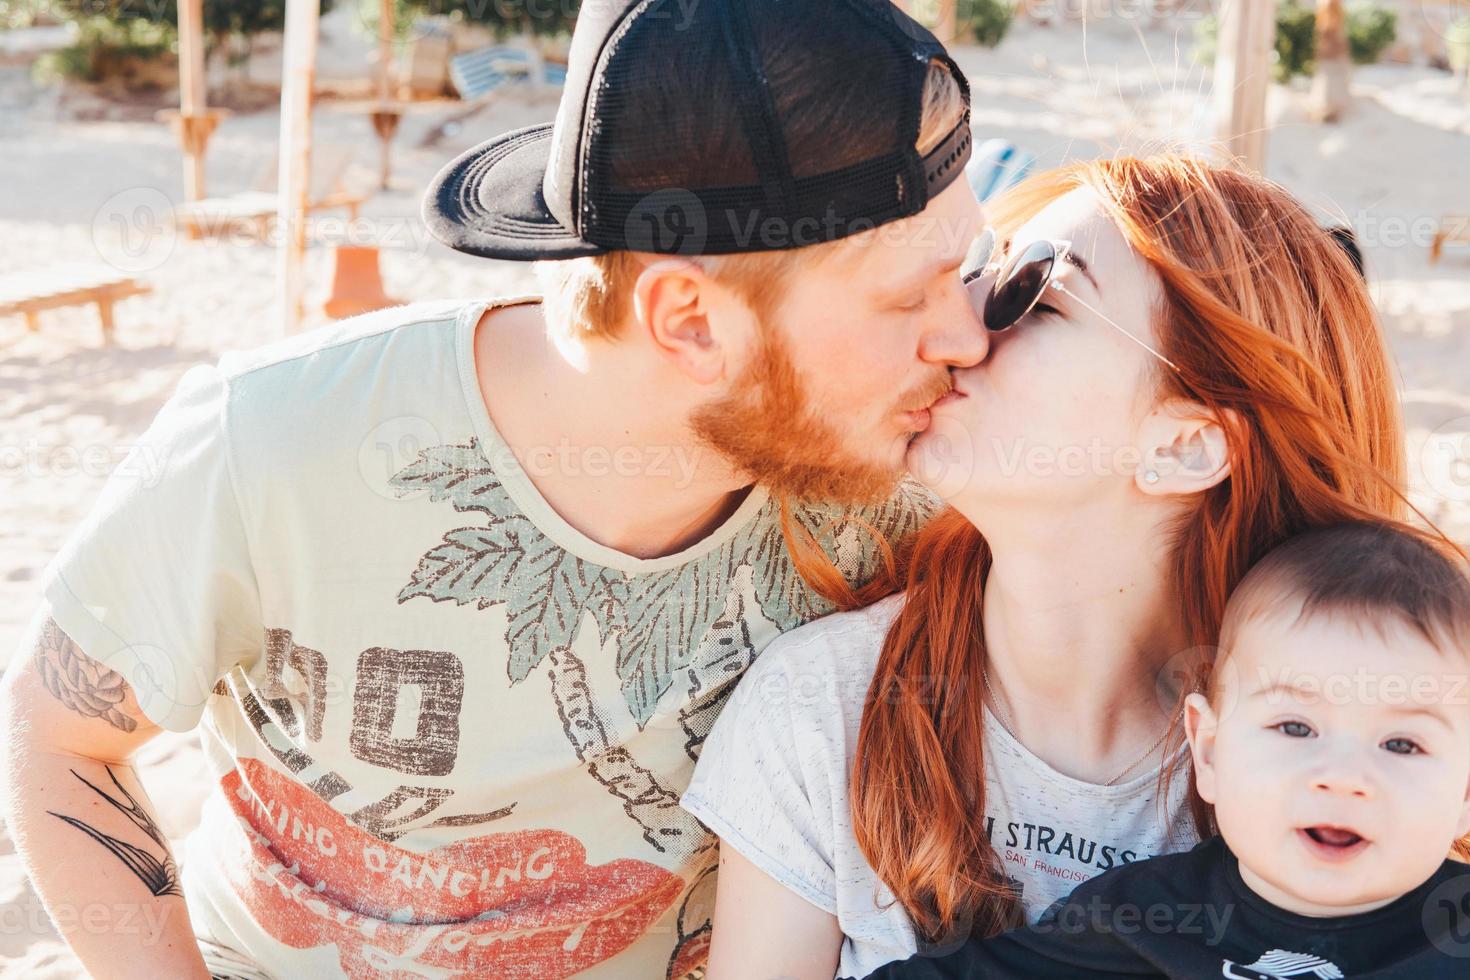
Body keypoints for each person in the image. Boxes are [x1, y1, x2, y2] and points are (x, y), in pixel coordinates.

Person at [0, 2, 991, 977]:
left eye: (970, 270)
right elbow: (60, 734)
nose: (967, 339)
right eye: (908, 296)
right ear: (689, 319)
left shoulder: (906, 484)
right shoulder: (272, 439)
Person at [681, 154, 1423, 980]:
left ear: (1184, 445)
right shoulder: (824, 709)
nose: (959, 325)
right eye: (979, 272)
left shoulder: (1349, 758)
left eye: (1031, 293)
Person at [858, 520, 1470, 978]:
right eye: (1295, 728)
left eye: (1402, 743)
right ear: (1209, 751)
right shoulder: (1144, 918)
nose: (1342, 778)